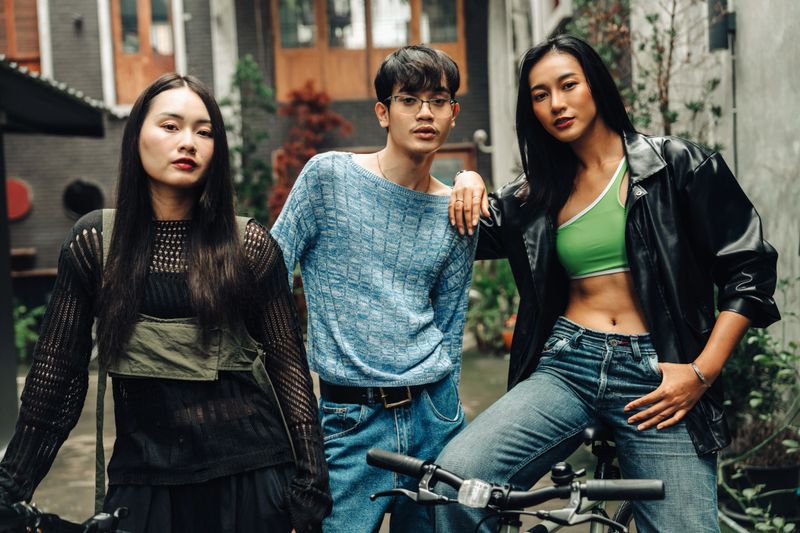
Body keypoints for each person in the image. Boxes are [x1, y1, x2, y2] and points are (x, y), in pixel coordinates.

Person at [437, 34, 779, 533]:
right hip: (567, 366)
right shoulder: (533, 198)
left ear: (595, 85)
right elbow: (461, 222)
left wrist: (700, 372)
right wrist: (467, 176)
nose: (556, 104)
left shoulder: (677, 166)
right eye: (539, 94)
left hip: (661, 374)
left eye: (567, 85)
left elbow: (749, 271)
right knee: (455, 485)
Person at [0, 74, 331, 533]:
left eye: (204, 130)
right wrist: (9, 489)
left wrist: (311, 489)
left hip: (250, 479)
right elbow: (56, 378)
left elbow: (290, 372)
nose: (189, 142)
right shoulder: (97, 244)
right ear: (136, 135)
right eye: (171, 126)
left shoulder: (248, 245)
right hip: (144, 482)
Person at [271, 45, 478, 532]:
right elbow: (270, 276)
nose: (425, 112)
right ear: (383, 112)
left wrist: (449, 405)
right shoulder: (328, 178)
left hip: (435, 414)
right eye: (409, 99)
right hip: (349, 417)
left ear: (453, 115)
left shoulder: (457, 210)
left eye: (439, 100)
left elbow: (450, 324)